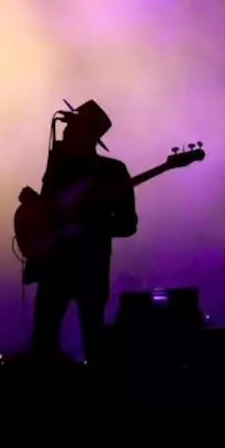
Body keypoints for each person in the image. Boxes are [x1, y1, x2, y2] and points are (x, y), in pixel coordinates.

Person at [26, 100, 137, 365]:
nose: (65, 134)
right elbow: (49, 214)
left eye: (72, 128)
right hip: (54, 265)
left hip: (90, 268)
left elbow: (128, 225)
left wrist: (90, 224)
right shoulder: (59, 168)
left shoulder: (113, 171)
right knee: (43, 340)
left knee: (94, 341)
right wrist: (33, 206)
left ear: (87, 136)